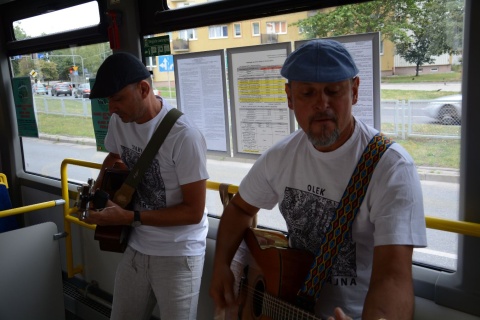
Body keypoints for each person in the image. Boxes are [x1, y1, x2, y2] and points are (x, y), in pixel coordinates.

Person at [209, 39, 427, 320]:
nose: (321, 104)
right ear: (289, 98)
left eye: (333, 91)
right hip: (286, 304)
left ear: (355, 90)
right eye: (307, 93)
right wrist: (221, 265)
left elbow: (393, 277)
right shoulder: (281, 156)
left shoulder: (390, 168)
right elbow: (239, 209)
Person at [83, 52, 209, 320]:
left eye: (117, 99)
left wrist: (128, 216)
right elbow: (114, 156)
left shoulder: (184, 136)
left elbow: (193, 211)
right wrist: (101, 193)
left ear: (143, 89)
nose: (111, 109)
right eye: (108, 101)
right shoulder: (120, 122)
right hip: (137, 246)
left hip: (179, 252)